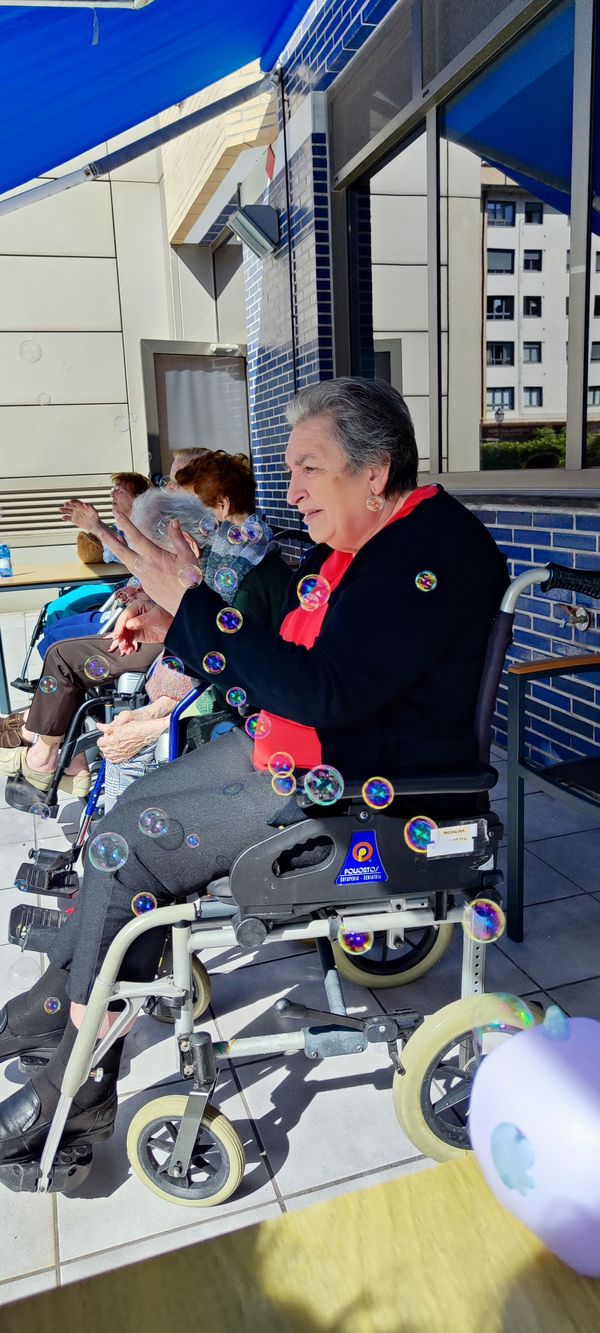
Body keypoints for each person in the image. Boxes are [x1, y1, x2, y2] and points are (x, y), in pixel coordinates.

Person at [0, 378, 508, 1164]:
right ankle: (56, 999)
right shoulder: (375, 541)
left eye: (309, 468)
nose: (291, 490)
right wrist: (189, 606)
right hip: (313, 748)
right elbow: (292, 658)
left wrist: (200, 604)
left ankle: (82, 1085)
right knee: (124, 819)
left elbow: (329, 687)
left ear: (374, 472)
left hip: (362, 785)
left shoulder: (426, 551)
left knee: (135, 845)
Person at [98, 452, 290, 806]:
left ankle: (123, 830)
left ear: (221, 505)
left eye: (189, 505)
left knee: (127, 757)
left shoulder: (247, 573)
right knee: (124, 733)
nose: (181, 517)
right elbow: (213, 654)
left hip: (241, 714)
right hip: (217, 697)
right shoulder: (229, 555)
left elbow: (234, 678)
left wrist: (156, 725)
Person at [0, 490, 207, 797]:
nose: (140, 567)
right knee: (59, 632)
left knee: (63, 652)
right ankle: (45, 737)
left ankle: (42, 749)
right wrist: (144, 604)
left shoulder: (204, 580)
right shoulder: (194, 571)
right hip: (162, 640)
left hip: (167, 656)